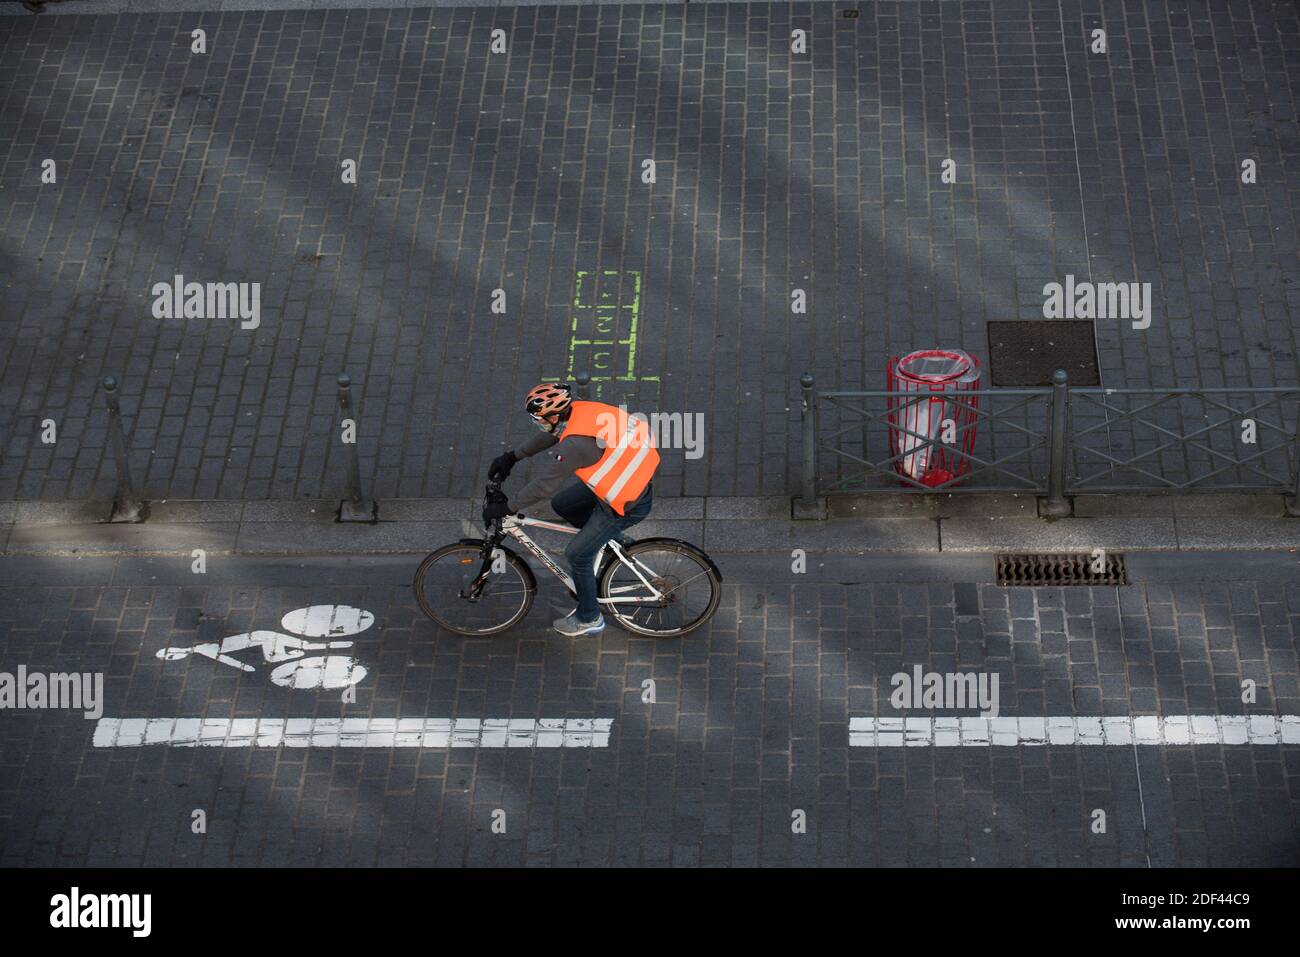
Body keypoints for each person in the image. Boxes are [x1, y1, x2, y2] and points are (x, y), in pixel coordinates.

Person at [484, 382, 658, 636]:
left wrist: (508, 507)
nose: (538, 424)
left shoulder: (576, 445)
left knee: (577, 556)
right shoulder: (579, 411)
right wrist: (513, 456)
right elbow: (552, 433)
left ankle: (590, 618)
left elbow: (544, 485)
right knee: (563, 505)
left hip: (624, 500)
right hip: (623, 474)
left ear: (555, 415)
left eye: (539, 419)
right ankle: (613, 542)